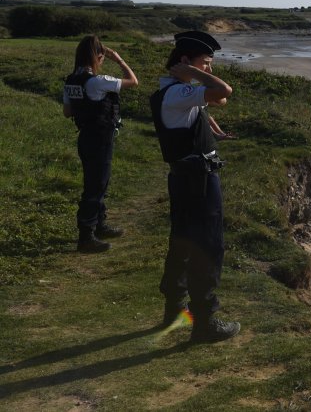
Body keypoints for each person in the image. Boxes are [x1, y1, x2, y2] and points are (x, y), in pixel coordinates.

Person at [150, 31, 240, 343]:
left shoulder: (174, 92)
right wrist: (194, 74)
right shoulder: (179, 93)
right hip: (198, 179)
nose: (209, 70)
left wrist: (194, 74)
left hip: (184, 177)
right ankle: (206, 321)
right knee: (207, 246)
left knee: (183, 242)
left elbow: (221, 97)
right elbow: (225, 89)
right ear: (186, 62)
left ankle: (175, 307)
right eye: (205, 63)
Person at [63, 36, 138, 253]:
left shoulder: (71, 80)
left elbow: (68, 112)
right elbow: (133, 81)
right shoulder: (97, 81)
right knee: (96, 186)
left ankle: (99, 224)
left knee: (97, 182)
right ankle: (86, 236)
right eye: (103, 57)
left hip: (85, 136)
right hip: (100, 138)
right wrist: (120, 59)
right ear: (98, 57)